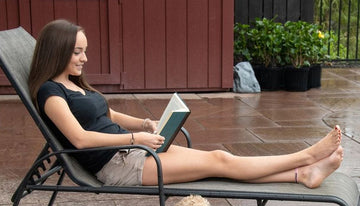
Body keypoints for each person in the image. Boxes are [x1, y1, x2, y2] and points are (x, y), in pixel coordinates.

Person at [28, 19, 343, 189]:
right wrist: (136, 139)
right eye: (77, 52)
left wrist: (144, 124)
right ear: (57, 52)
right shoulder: (51, 93)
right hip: (119, 165)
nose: (85, 58)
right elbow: (81, 139)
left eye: (84, 51)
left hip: (133, 150)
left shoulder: (74, 84)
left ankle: (303, 175)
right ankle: (306, 156)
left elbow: (105, 114)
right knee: (219, 162)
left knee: (218, 161)